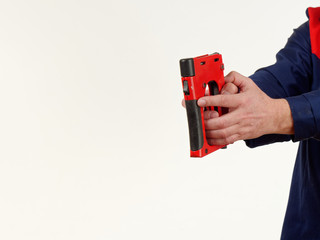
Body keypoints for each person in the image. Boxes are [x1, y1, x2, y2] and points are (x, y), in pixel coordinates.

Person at [189, 7, 320, 239]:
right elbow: (282, 77)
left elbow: (278, 109)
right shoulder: (316, 28)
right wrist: (235, 100)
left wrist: (278, 114)